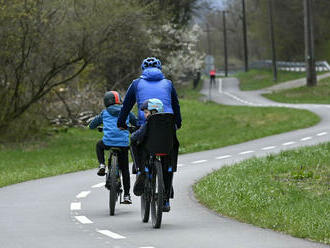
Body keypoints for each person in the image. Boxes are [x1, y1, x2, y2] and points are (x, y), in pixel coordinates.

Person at [89, 91, 138, 204]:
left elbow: (92, 125)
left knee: (99, 145)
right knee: (125, 169)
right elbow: (135, 122)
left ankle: (102, 164)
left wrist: (91, 125)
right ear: (120, 100)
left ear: (106, 102)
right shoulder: (126, 111)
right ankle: (126, 195)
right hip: (123, 144)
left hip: (108, 142)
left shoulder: (105, 112)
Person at [130, 98, 174, 212]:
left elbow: (137, 136)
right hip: (167, 152)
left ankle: (139, 169)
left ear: (153, 112)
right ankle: (166, 200)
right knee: (167, 171)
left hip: (149, 150)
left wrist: (133, 134)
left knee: (134, 143)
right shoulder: (169, 123)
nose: (145, 115)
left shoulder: (149, 123)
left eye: (146, 112)